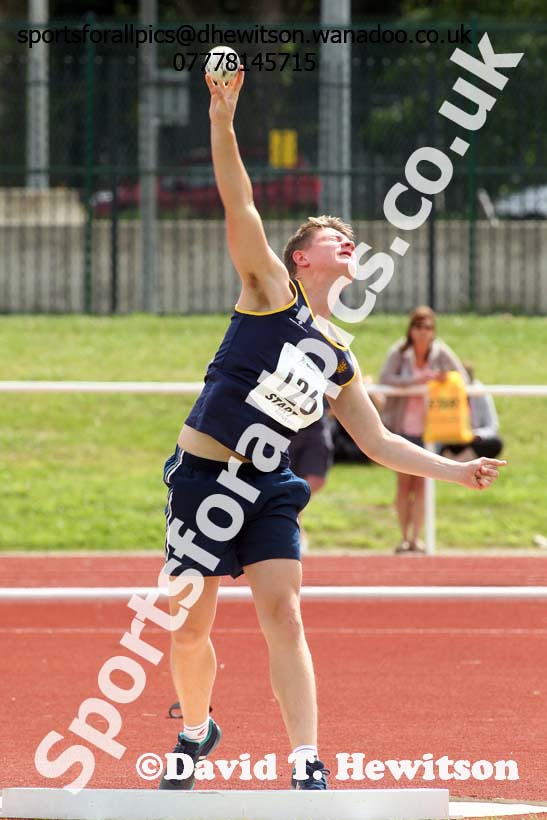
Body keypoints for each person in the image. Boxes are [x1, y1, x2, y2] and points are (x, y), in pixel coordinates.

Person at [159, 69, 505, 793]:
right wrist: (222, 117)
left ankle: (304, 757)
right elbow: (238, 202)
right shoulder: (265, 295)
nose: (347, 241)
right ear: (300, 258)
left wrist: (456, 470)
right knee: (188, 628)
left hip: (269, 489)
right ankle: (196, 730)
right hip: (203, 481)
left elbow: (378, 444)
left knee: (283, 615)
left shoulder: (337, 357)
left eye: (350, 238)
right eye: (331, 236)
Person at [378, 306, 470, 555]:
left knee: (422, 484)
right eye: (418, 326)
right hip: (401, 427)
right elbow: (384, 378)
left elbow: (462, 377)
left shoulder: (440, 353)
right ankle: (403, 536)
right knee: (403, 483)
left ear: (433, 330)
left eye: (428, 327)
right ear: (411, 329)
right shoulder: (399, 352)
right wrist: (415, 382)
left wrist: (442, 378)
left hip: (430, 429)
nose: (423, 331)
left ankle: (417, 538)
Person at [288, 407, 333, 551]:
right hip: (286, 421)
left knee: (317, 479)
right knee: (286, 477)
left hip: (316, 423)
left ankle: (293, 516)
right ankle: (295, 527)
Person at [440, 361, 504, 461]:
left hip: (472, 441)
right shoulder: (440, 391)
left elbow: (492, 426)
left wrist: (474, 435)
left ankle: (460, 467)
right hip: (447, 441)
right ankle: (456, 468)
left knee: (494, 443)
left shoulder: (479, 391)